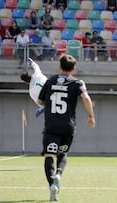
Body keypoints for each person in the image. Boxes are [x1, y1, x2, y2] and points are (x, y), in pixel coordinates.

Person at [37, 54, 95, 201]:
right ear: (74, 68)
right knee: (62, 154)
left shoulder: (50, 81)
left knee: (49, 155)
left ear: (60, 67)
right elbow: (86, 98)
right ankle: (58, 174)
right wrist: (91, 116)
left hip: (51, 126)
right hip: (68, 126)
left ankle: (52, 185)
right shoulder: (78, 83)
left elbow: (40, 100)